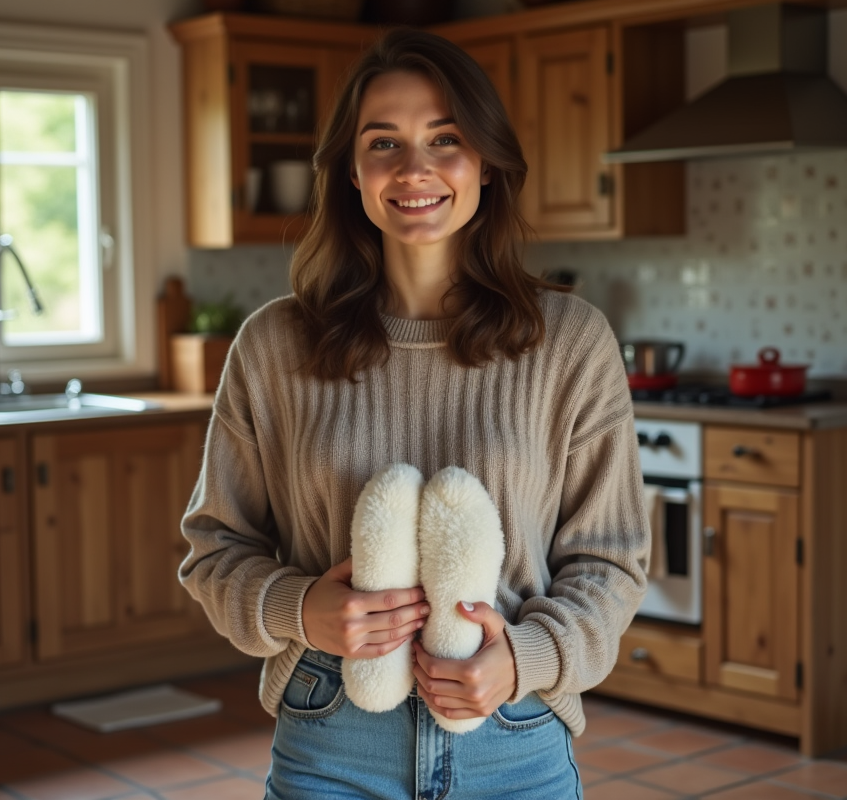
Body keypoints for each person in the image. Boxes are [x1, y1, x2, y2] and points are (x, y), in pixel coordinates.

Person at [179, 28, 650, 800]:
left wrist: (524, 659)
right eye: (384, 143)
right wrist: (299, 609)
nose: (415, 169)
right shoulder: (273, 345)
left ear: (488, 163)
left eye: (446, 139)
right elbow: (214, 548)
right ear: (351, 173)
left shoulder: (571, 341)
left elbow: (613, 561)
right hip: (332, 733)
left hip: (514, 731)